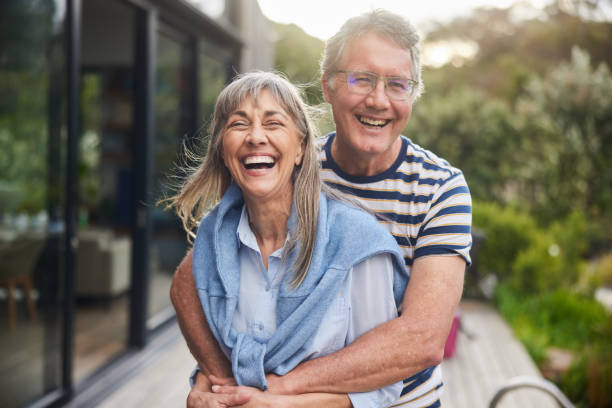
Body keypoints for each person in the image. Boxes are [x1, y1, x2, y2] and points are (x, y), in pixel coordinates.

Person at [171, 9, 472, 408]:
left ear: (412, 95)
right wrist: (217, 377)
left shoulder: (441, 188)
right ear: (328, 86)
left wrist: (276, 389)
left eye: (397, 84)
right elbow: (194, 277)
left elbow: (422, 339)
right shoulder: (284, 161)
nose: (378, 100)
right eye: (361, 79)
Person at [167, 70, 410, 408]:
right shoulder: (214, 241)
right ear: (223, 151)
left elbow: (381, 389)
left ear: (301, 149)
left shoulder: (356, 244)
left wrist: (280, 405)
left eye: (273, 123)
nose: (255, 137)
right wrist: (202, 392)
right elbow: (227, 358)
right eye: (238, 124)